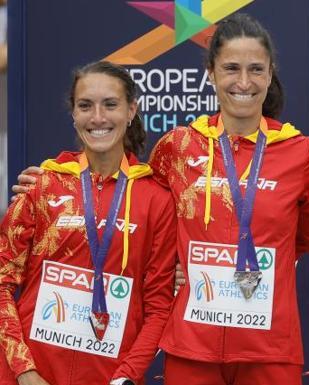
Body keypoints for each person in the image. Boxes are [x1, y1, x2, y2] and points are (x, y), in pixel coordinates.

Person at [10, 13, 309, 385]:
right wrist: (51, 181)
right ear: (210, 73)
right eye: (231, 68)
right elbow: (137, 200)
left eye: (256, 69)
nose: (244, 82)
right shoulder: (178, 148)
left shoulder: (301, 153)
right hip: (191, 348)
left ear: (271, 73)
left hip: (270, 349)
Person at [0, 61, 176, 385]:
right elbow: (2, 283)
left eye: (110, 104)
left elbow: (159, 308)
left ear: (131, 110)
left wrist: (126, 378)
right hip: (26, 377)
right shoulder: (42, 185)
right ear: (73, 114)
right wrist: (23, 370)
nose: (98, 118)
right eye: (85, 106)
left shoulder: (156, 199)